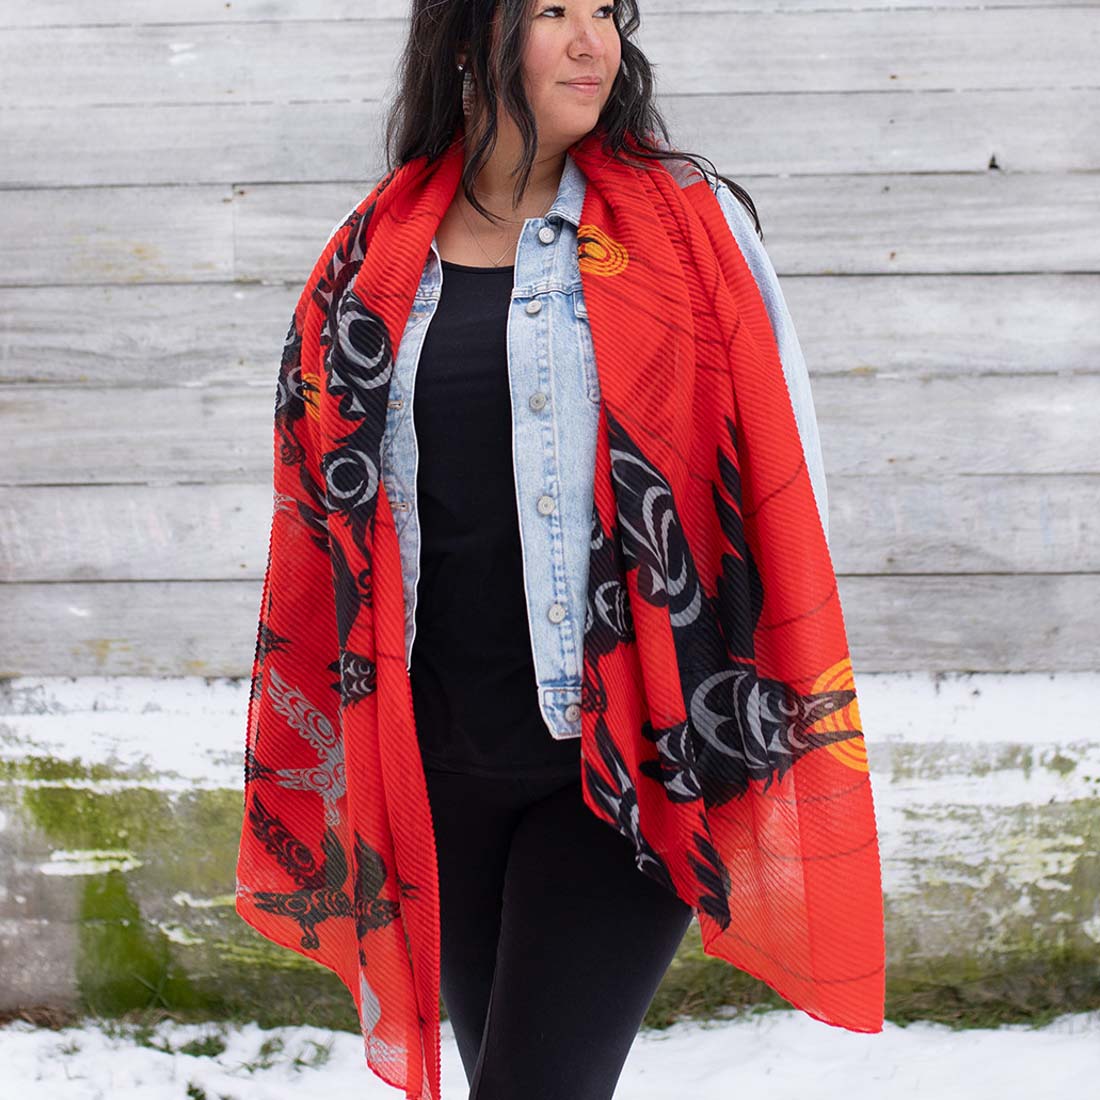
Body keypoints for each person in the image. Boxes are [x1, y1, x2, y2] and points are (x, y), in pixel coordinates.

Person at [366, 1, 828, 1097]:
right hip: (435, 762)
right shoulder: (380, 245)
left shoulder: (689, 227)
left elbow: (778, 481)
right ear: (470, 37)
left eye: (605, 12)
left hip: (624, 756)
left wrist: (755, 700)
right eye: (552, 11)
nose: (592, 42)